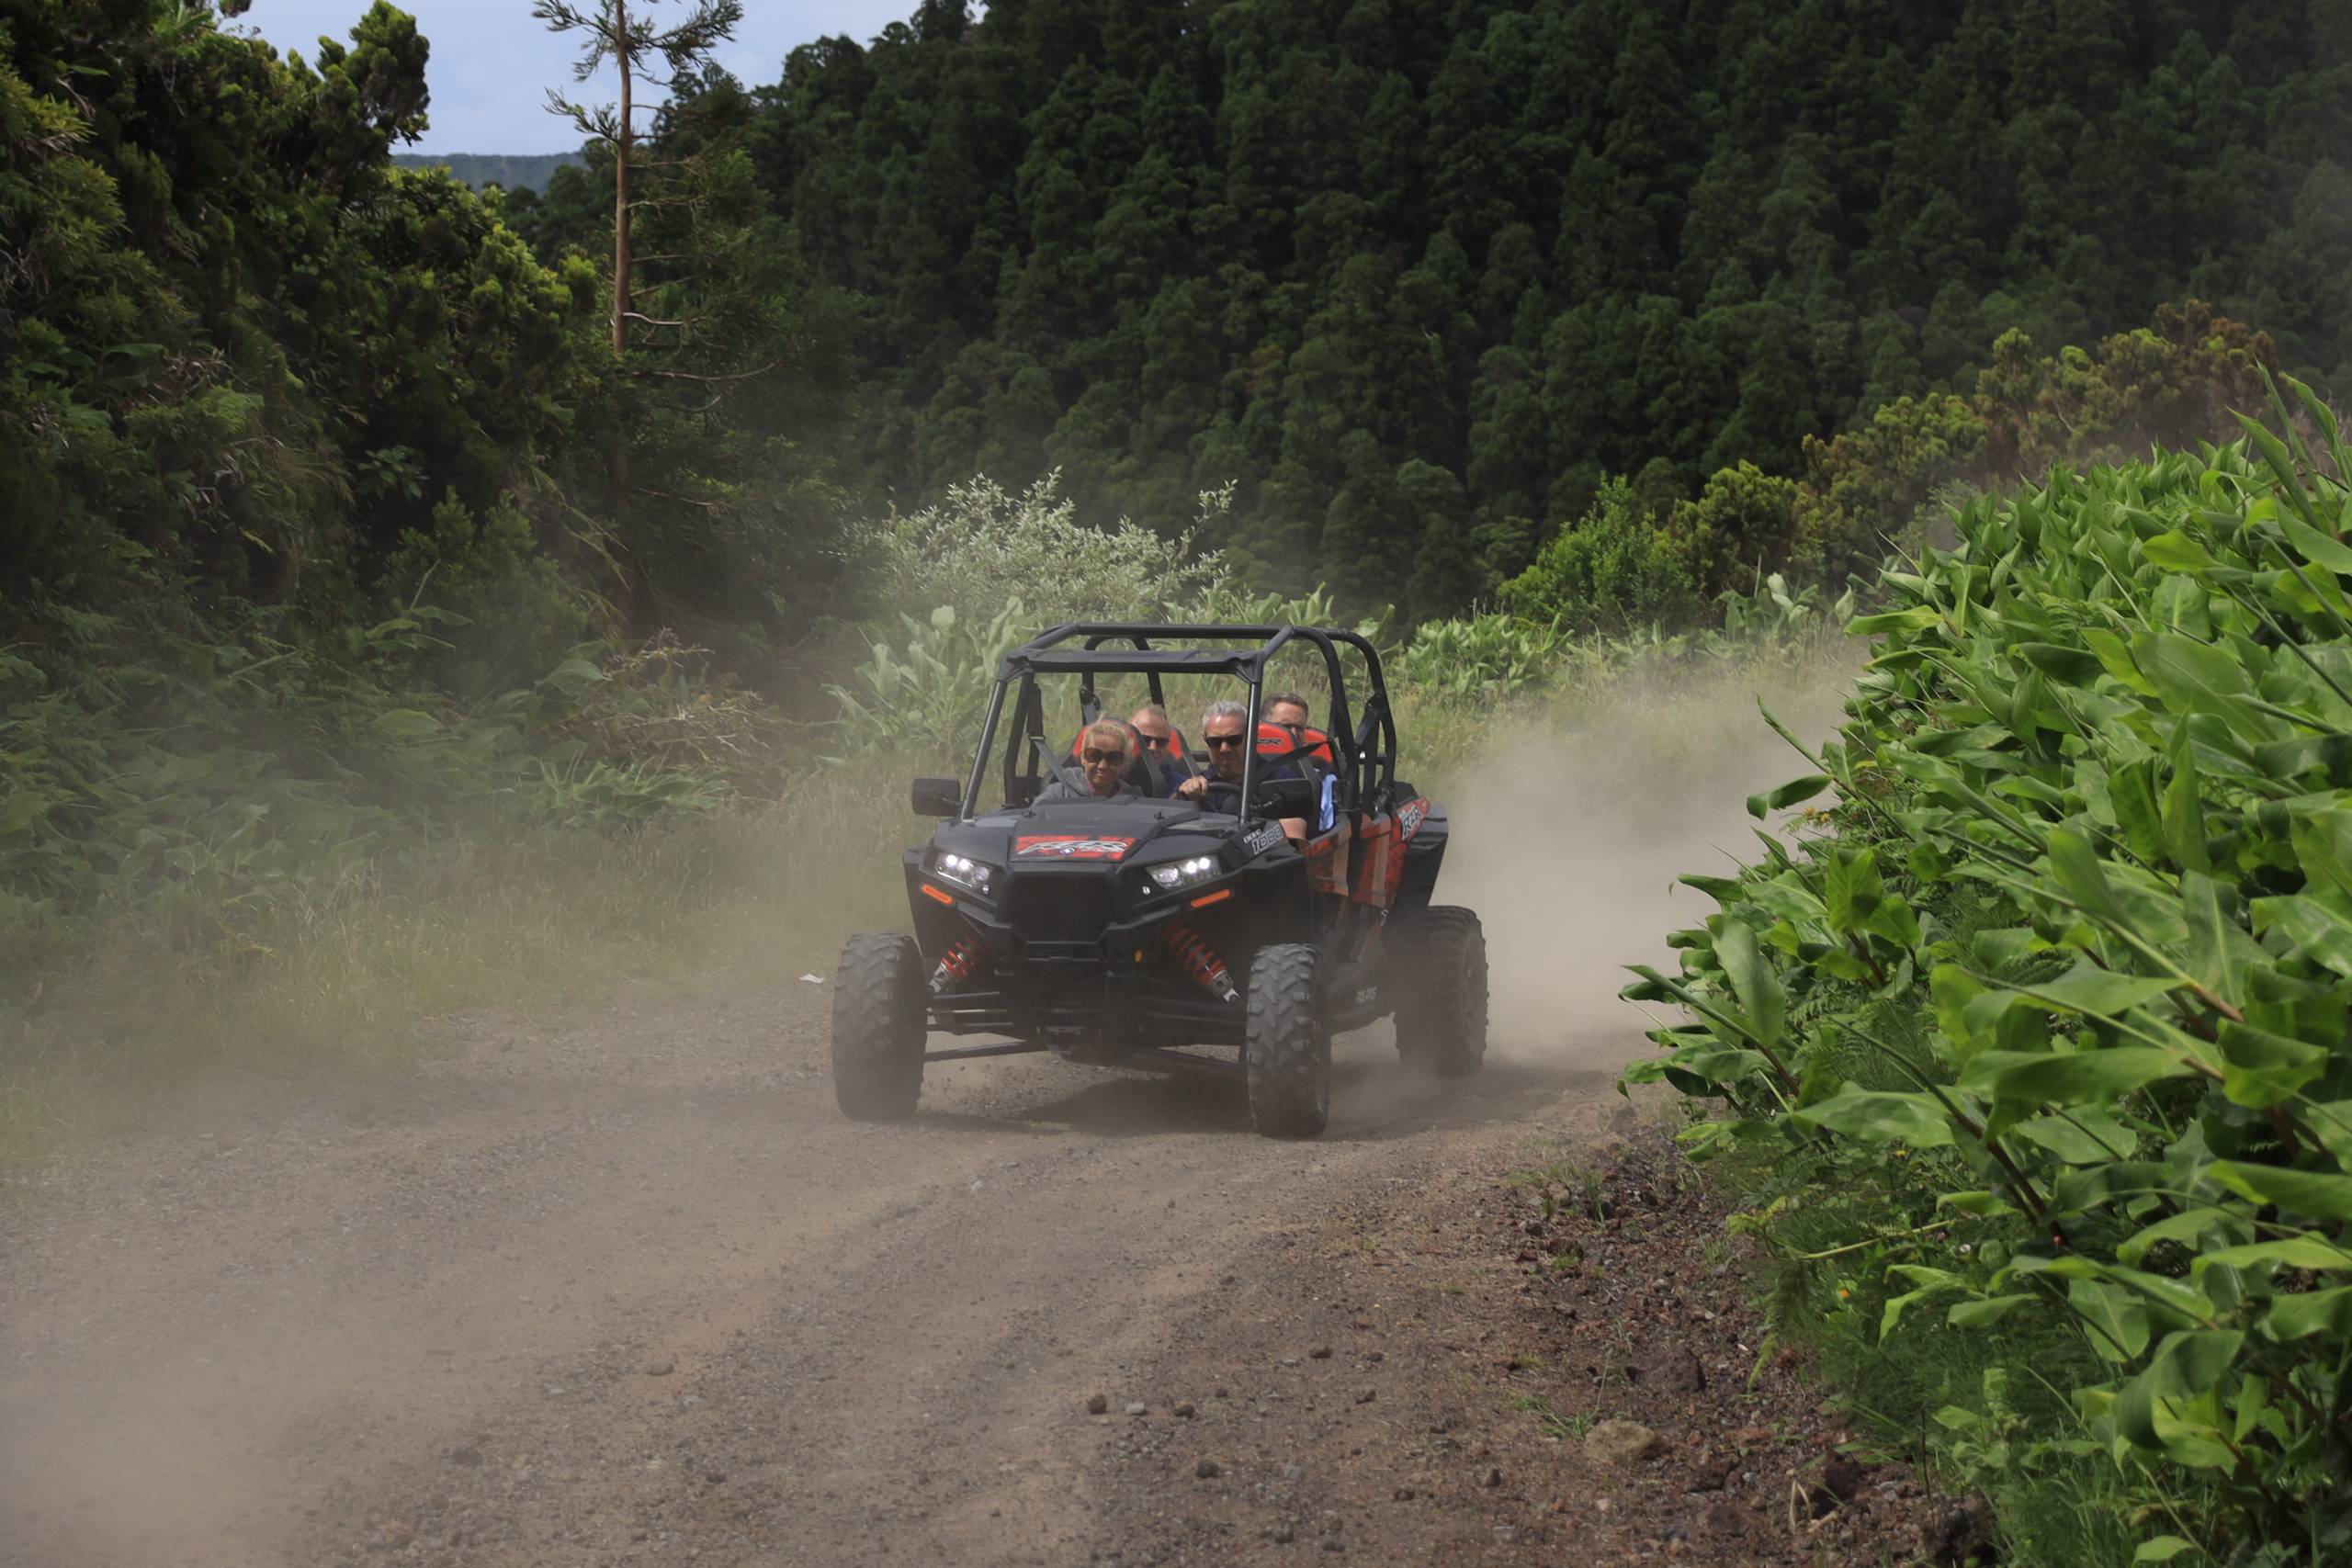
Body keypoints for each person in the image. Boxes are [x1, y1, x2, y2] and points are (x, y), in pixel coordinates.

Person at [1039, 718, 1141, 801]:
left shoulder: (1134, 800)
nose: (1102, 766)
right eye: (1094, 755)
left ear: (1123, 762)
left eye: (1113, 758)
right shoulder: (1058, 795)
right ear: (1083, 758)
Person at [1128, 703, 1190, 795]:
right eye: (1145, 740)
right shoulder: (1110, 773)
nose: (1153, 747)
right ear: (1128, 739)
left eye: (1161, 741)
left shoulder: (1180, 786)